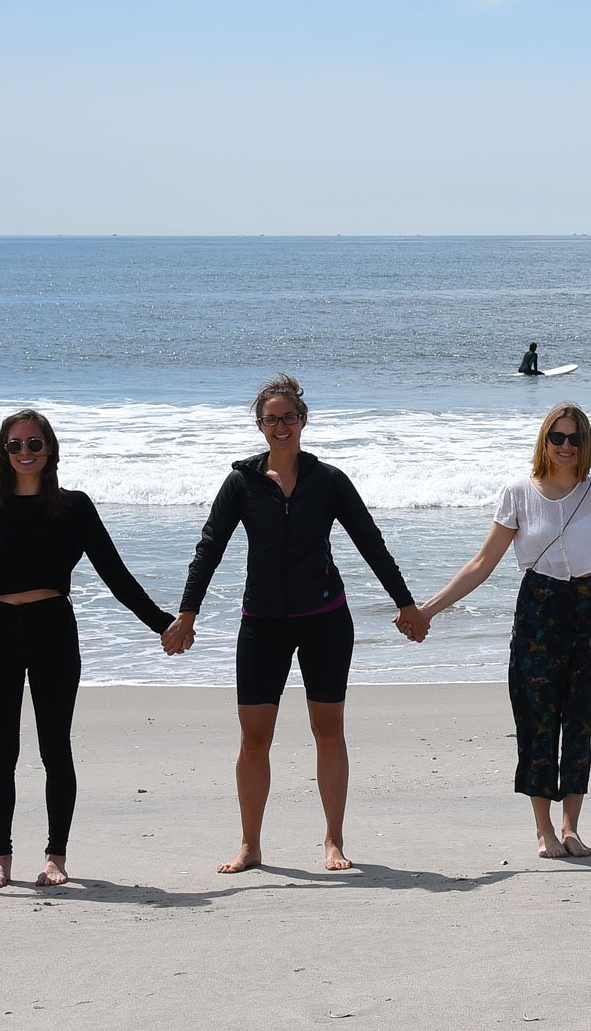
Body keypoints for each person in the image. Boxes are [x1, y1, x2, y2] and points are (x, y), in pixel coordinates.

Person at [0, 410, 179, 888]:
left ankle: (55, 856)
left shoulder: (74, 508)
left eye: (34, 444)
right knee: (1, 749)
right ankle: (1, 858)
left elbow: (117, 576)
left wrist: (164, 625)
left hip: (52, 629)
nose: (24, 453)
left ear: (50, 450)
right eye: (15, 445)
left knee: (55, 747)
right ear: (3, 451)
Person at [413, 404, 591, 858]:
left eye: (575, 439)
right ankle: (543, 829)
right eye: (557, 438)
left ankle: (571, 828)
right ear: (544, 441)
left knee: (580, 721)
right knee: (537, 720)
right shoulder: (518, 493)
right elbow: (482, 563)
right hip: (539, 612)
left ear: (586, 445)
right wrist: (427, 610)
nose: (566, 447)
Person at [169, 374, 426, 874]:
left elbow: (369, 541)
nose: (281, 426)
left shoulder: (328, 481)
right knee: (253, 739)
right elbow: (210, 548)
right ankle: (250, 844)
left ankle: (333, 840)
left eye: (289, 417)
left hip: (324, 620)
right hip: (261, 623)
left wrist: (406, 604)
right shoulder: (240, 483)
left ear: (303, 421)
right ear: (260, 425)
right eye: (272, 418)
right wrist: (187, 612)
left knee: (328, 728)